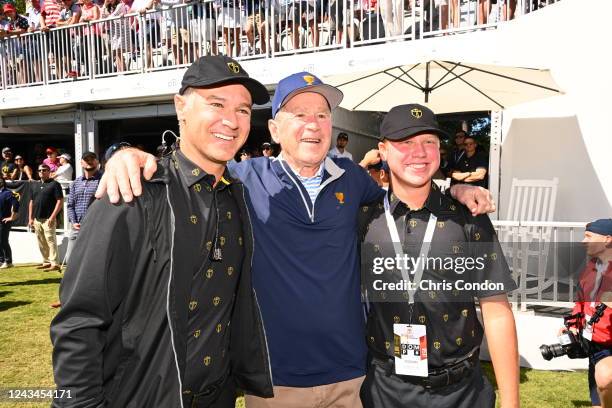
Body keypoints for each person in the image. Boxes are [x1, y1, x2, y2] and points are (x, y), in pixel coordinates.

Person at [98, 72, 495, 408]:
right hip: (277, 381)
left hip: (353, 377)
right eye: (299, 114)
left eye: (322, 115)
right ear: (274, 128)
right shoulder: (243, 178)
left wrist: (453, 191)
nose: (313, 124)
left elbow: (408, 196)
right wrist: (129, 155)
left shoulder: (353, 179)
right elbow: (193, 165)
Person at [50, 55, 273, 408]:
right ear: (180, 107)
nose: (231, 120)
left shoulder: (237, 196)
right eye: (216, 103)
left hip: (219, 397)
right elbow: (80, 320)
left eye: (243, 110)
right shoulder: (132, 193)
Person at [359, 104, 519, 408]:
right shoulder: (364, 217)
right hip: (385, 391)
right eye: (405, 143)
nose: (419, 152)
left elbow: (496, 311)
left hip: (461, 393)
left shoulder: (469, 217)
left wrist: (512, 403)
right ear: (383, 150)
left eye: (429, 142)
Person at [567, 219, 612, 408]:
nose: (583, 241)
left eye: (589, 236)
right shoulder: (591, 267)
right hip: (595, 344)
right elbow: (581, 301)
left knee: (604, 377)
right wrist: (572, 325)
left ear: (607, 240)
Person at [28, 164, 63, 271]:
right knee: (41, 241)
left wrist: (53, 217)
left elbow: (60, 201)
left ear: (49, 171)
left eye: (44, 170)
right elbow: (31, 202)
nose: (42, 172)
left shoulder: (55, 184)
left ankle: (54, 263)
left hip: (49, 218)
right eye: (40, 170)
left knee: (50, 240)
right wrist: (30, 218)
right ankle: (46, 261)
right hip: (37, 219)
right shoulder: (34, 185)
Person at [0, 178, 19, 269]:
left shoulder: (7, 193)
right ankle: (2, 260)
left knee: (3, 241)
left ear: (3, 182)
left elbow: (16, 204)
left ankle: (8, 261)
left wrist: (11, 217)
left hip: (3, 222)